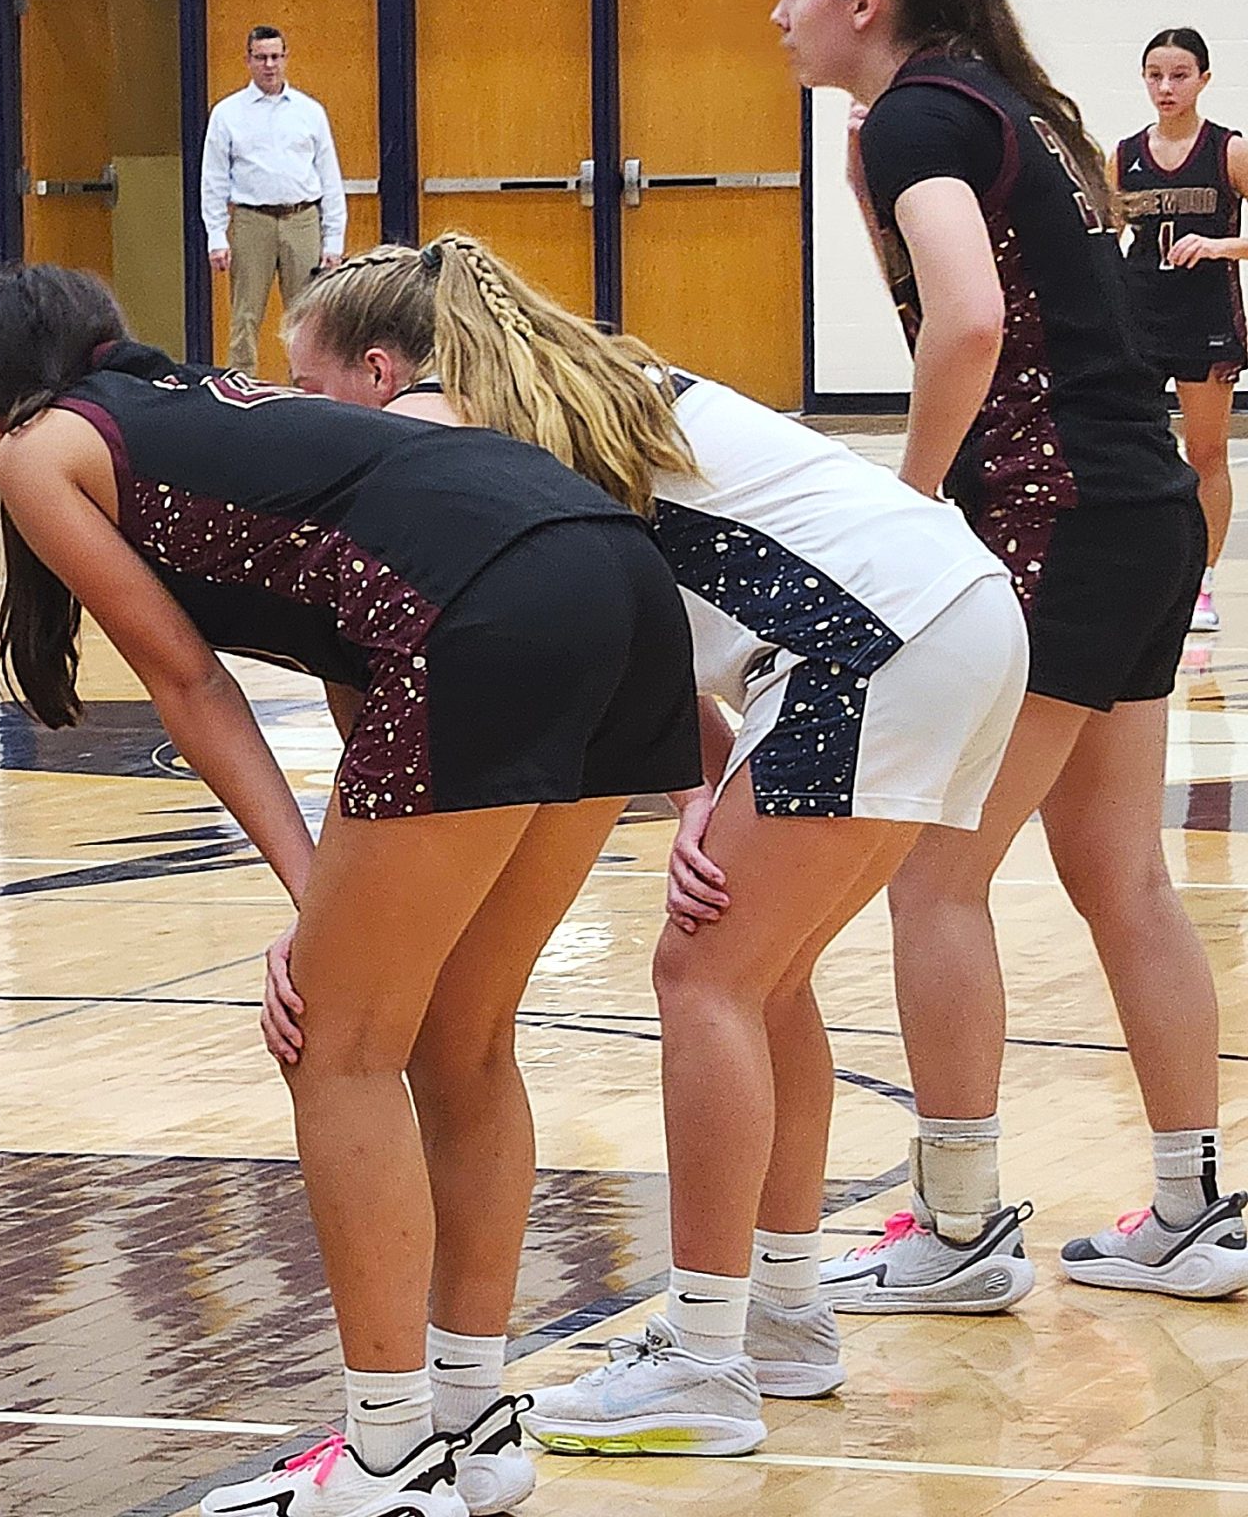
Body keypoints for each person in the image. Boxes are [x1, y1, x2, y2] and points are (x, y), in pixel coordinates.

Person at [0, 264, 694, 1517]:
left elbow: (190, 685)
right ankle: (473, 1422)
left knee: (335, 1044)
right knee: (460, 1037)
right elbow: (364, 643)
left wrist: (314, 897)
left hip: (488, 606)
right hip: (614, 576)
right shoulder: (209, 407)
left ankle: (391, 1458)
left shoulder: (40, 449)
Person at [278, 239, 1029, 1456]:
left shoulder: (438, 424)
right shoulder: (568, 379)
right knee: (763, 976)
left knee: (704, 978)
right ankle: (777, 1316)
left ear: (378, 371)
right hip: (952, 610)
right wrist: (698, 786)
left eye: (309, 393)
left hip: (867, 643)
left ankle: (703, 1358)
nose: (306, 423)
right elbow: (632, 610)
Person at [776, 0, 1246, 1310]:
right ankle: (1194, 1208)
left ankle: (962, 1225)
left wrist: (903, 507)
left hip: (1057, 522)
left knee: (942, 875)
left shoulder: (919, 115)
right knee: (1120, 876)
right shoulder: (1006, 103)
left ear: (866, 3)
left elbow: (970, 319)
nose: (780, 11)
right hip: (1147, 509)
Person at [1114, 26, 1248, 632]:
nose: (1165, 88)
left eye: (1178, 75)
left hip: (1206, 319)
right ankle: (1139, 573)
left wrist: (1222, 244)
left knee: (1205, 452)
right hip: (1138, 317)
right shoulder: (1124, 154)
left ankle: (1203, 582)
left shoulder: (1229, 150)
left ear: (1203, 79)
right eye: (1154, 75)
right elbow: (1097, 233)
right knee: (1131, 449)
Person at [202, 24, 348, 374]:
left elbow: (329, 176)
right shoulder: (227, 113)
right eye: (261, 57)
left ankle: (306, 387)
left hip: (302, 218)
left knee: (307, 315)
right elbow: (214, 180)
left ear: (286, 59)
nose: (269, 65)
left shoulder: (309, 111)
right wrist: (217, 236)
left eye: (275, 57)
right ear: (248, 60)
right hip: (253, 219)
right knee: (245, 315)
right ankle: (241, 387)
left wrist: (334, 240)